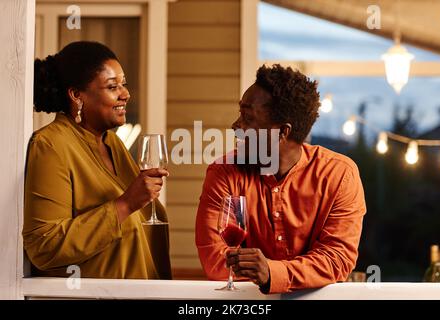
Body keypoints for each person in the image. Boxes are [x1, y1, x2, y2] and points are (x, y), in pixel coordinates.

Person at [195, 64, 366, 293]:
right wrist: (294, 276)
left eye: (247, 117)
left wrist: (272, 273)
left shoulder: (339, 175)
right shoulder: (224, 172)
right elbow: (215, 261)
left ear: (282, 132)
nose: (236, 126)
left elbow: (337, 260)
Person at [23, 41, 171, 279]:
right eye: (113, 86)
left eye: (124, 84)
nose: (125, 94)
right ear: (76, 95)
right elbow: (43, 246)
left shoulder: (113, 144)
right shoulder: (50, 145)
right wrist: (124, 205)